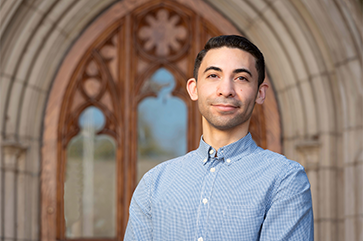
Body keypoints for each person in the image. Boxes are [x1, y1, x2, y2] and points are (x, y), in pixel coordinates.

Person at [124, 35, 314, 240]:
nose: (226, 90)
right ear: (194, 89)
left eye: (241, 78)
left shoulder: (284, 179)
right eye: (214, 75)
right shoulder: (154, 184)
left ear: (260, 93)